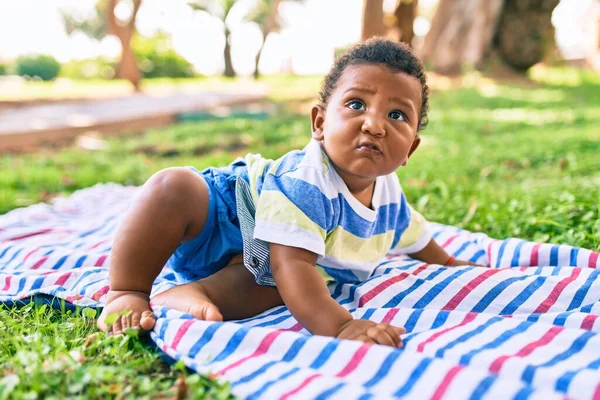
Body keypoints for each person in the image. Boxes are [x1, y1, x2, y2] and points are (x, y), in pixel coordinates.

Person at [97, 38, 478, 348]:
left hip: (263, 261)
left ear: (410, 148)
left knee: (279, 290)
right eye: (356, 104)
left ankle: (191, 294)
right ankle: (127, 289)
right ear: (320, 123)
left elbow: (414, 234)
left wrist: (449, 264)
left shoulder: (388, 195)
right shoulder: (309, 181)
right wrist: (342, 326)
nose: (375, 124)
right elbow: (292, 262)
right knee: (172, 186)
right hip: (223, 215)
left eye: (397, 115)